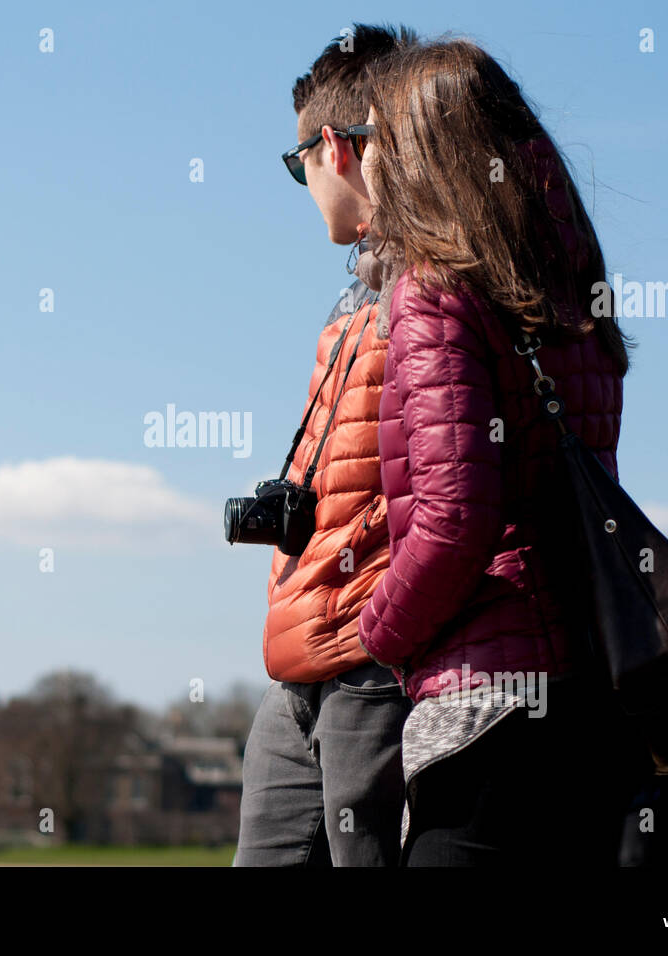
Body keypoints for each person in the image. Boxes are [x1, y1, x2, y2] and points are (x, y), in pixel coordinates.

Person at [353, 38, 643, 866]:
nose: (367, 161)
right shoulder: (571, 290)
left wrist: (379, 633)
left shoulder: (432, 291)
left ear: (418, 151)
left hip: (488, 706)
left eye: (375, 139)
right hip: (591, 694)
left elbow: (453, 518)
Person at [232, 24, 418, 867]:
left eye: (294, 164)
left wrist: (385, 629)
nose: (301, 183)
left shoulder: (433, 287)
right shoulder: (358, 292)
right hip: (298, 664)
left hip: (371, 663)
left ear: (332, 149)